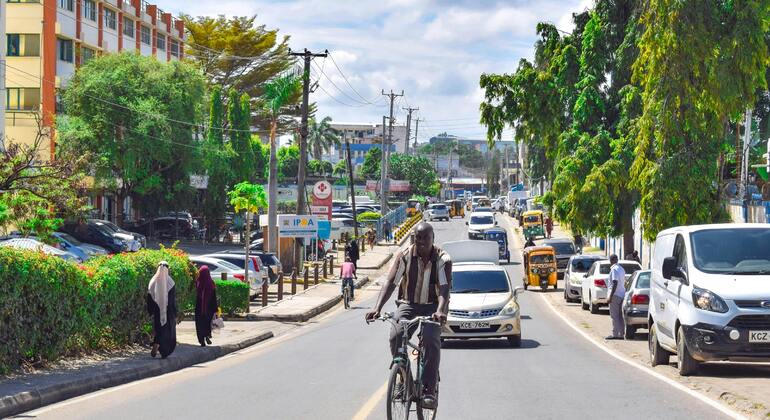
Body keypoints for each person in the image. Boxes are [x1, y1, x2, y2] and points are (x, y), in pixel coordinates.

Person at [365, 222, 451, 410]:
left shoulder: (443, 259)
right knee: (396, 335)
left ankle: (428, 389)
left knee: (430, 340)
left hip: (433, 306)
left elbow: (444, 289)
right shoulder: (404, 256)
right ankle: (404, 380)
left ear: (432, 238)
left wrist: (440, 311)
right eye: (417, 238)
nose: (420, 242)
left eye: (425, 238)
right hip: (408, 305)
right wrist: (377, 308)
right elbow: (391, 283)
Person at [146, 261, 178, 359]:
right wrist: (175, 312)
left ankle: (156, 343)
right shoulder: (171, 282)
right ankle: (164, 352)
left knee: (159, 329)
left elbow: (149, 298)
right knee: (167, 332)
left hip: (157, 311)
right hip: (168, 312)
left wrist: (151, 310)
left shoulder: (153, 281)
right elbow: (172, 301)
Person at [194, 266, 218, 347]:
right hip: (209, 309)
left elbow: (196, 295)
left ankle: (202, 341)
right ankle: (207, 336)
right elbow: (214, 297)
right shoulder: (211, 283)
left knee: (200, 325)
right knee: (207, 323)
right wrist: (216, 309)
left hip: (199, 309)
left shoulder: (198, 282)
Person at [606, 254, 627, 340]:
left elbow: (615, 282)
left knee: (614, 316)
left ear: (611, 261)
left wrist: (610, 296)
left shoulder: (614, 270)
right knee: (620, 316)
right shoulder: (621, 269)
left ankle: (615, 334)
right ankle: (621, 334)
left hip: (615, 295)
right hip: (622, 294)